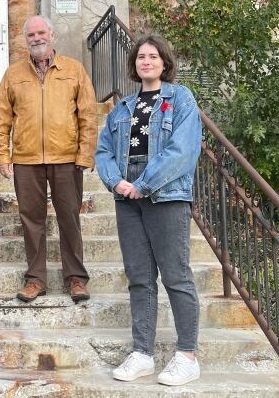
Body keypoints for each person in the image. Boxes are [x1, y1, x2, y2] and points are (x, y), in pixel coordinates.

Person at [95, 35, 202, 386]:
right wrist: (117, 183)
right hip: (128, 199)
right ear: (134, 65)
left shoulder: (180, 98)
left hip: (166, 196)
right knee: (140, 278)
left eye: (153, 56)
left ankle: (187, 355)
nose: (147, 61)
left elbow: (183, 150)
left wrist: (145, 183)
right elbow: (104, 153)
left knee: (176, 276)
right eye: (141, 57)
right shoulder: (122, 108)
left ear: (164, 63)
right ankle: (142, 352)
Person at [0, 15, 97, 303]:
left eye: (41, 33)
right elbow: (1, 118)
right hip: (26, 159)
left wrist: (85, 153)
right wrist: (2, 154)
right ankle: (35, 279)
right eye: (31, 35)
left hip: (66, 157)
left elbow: (88, 115)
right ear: (25, 39)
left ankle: (76, 278)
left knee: (69, 218)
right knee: (31, 221)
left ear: (52, 36)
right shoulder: (13, 74)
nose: (36, 39)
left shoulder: (74, 70)